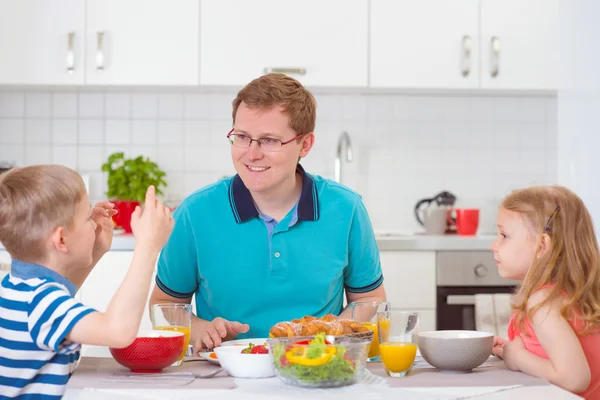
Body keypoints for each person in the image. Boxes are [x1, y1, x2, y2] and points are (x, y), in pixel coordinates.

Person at [149, 73, 386, 350]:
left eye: (270, 140)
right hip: (224, 375)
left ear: (305, 144)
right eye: (242, 137)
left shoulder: (346, 209)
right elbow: (164, 305)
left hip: (318, 372)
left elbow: (370, 301)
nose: (252, 154)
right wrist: (201, 328)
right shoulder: (194, 213)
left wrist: (329, 338)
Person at [0, 165, 174, 398]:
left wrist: (97, 248)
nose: (93, 223)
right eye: (86, 218)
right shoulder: (40, 303)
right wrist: (148, 248)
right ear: (61, 239)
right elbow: (117, 331)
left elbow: (61, 298)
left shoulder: (20, 288)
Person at [490, 185, 600, 398]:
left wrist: (519, 357)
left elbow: (574, 379)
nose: (494, 246)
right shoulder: (571, 295)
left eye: (504, 235)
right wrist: (513, 350)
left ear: (541, 245)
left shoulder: (544, 302)